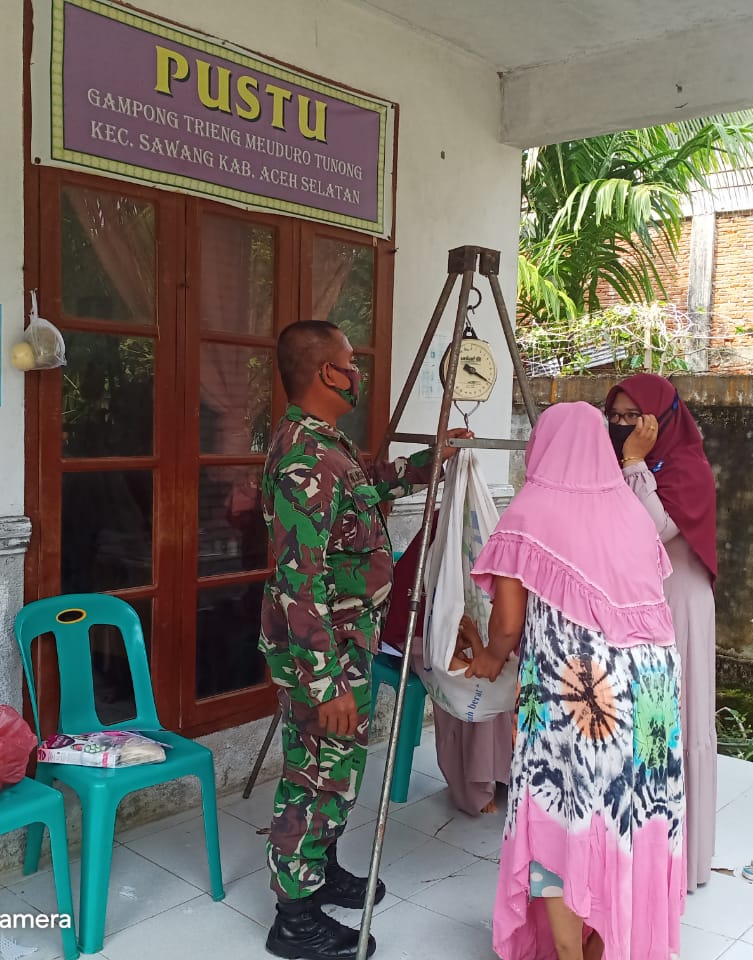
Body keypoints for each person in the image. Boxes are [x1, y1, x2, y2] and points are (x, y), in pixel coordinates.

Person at [260, 319, 471, 960]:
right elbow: (301, 582)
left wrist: (424, 465)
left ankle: (319, 870)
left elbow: (361, 498)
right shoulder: (305, 458)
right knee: (315, 774)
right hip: (321, 654)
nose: (358, 373)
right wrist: (325, 685)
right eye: (351, 363)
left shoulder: (327, 447)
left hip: (345, 643)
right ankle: (293, 916)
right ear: (327, 373)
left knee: (338, 770)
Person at [466, 401, 685, 960]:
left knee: (557, 819)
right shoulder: (631, 511)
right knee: (628, 818)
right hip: (655, 691)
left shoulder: (530, 510)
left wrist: (490, 658)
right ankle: (608, 938)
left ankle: (569, 951)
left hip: (581, 695)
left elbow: (509, 624)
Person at [605, 373, 717, 893]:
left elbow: (650, 531)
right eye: (617, 415)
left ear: (662, 417)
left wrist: (633, 463)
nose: (624, 426)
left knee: (681, 720)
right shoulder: (620, 463)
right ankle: (645, 846)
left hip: (679, 605)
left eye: (635, 416)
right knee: (644, 723)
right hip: (637, 604)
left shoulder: (687, 467)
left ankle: (684, 859)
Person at [382, 521, 513, 816]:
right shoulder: (440, 531)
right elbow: (429, 638)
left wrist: (476, 642)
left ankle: (502, 771)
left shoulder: (477, 534)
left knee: (502, 684)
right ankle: (474, 787)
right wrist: (467, 644)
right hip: (418, 641)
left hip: (460, 638)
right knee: (472, 691)